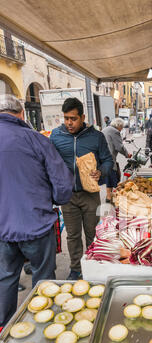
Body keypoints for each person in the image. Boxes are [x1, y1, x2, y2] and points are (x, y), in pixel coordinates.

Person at [0, 94, 73, 327]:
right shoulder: (36, 139)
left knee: (5, 280)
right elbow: (63, 186)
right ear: (21, 114)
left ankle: (5, 335)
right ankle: (41, 328)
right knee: (43, 281)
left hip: (2, 230)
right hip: (37, 225)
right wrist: (51, 199)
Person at [50, 97, 113, 281]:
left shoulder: (96, 136)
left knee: (93, 232)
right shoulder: (56, 136)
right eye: (66, 118)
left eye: (74, 118)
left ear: (82, 117)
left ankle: (94, 265)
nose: (69, 122)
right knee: (73, 235)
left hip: (91, 195)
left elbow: (108, 160)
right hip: (67, 196)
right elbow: (49, 162)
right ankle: (76, 268)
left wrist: (101, 172)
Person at [101, 118, 132, 203]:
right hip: (109, 158)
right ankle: (109, 197)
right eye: (121, 127)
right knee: (112, 176)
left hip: (102, 157)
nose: (121, 129)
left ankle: (109, 195)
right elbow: (119, 146)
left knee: (109, 176)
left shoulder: (105, 129)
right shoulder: (114, 131)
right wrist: (127, 154)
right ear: (119, 126)